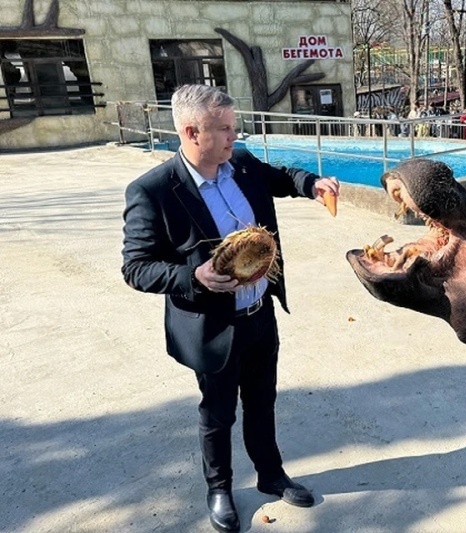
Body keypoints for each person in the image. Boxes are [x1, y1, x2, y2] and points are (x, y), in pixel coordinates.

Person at [121, 85, 340, 533]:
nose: (232, 137)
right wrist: (192, 277)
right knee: (218, 412)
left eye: (233, 127)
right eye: (222, 130)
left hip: (259, 313)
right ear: (190, 131)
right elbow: (136, 267)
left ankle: (271, 474)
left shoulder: (238, 165)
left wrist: (311, 184)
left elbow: (278, 176)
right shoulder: (154, 191)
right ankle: (219, 487)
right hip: (210, 327)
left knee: (263, 401)